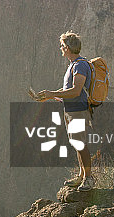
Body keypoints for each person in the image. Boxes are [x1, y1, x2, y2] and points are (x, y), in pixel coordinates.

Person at [37, 31, 94, 191]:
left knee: (81, 144)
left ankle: (88, 179)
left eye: (62, 46)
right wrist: (49, 96)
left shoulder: (80, 65)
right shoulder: (73, 65)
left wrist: (52, 94)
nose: (61, 48)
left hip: (78, 110)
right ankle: (82, 176)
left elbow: (76, 91)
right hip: (71, 109)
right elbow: (68, 90)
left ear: (67, 47)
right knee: (77, 143)